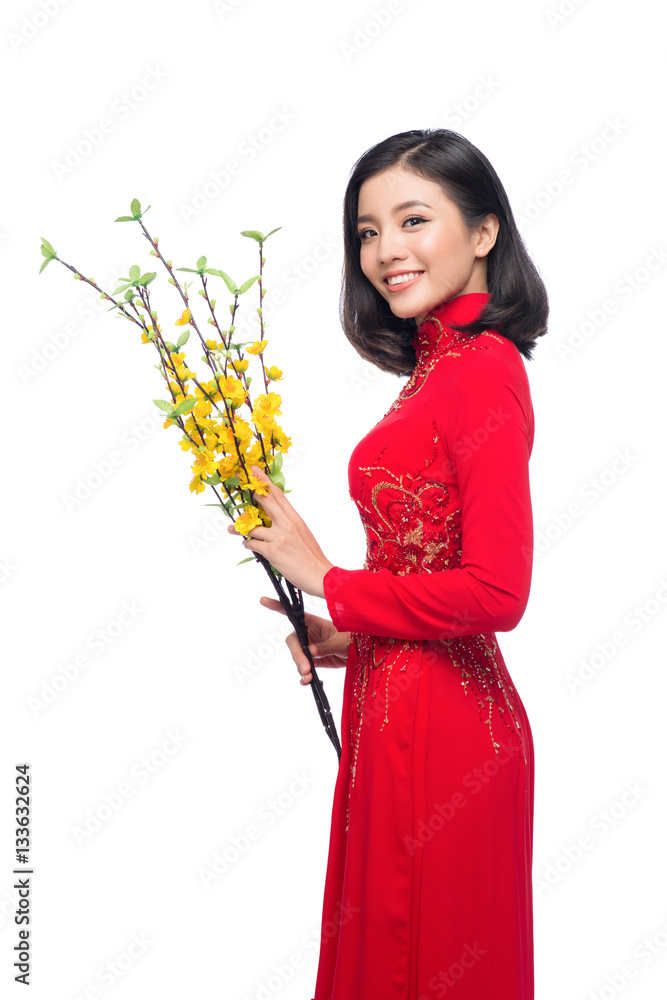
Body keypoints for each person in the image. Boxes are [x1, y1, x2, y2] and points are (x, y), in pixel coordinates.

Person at [228, 128, 548, 1000]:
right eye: (367, 232)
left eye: (412, 220)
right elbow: (427, 567)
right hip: (397, 707)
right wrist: (347, 629)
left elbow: (497, 589)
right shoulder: (433, 369)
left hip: (450, 737)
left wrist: (328, 577)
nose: (385, 251)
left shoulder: (482, 368)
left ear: (483, 232)